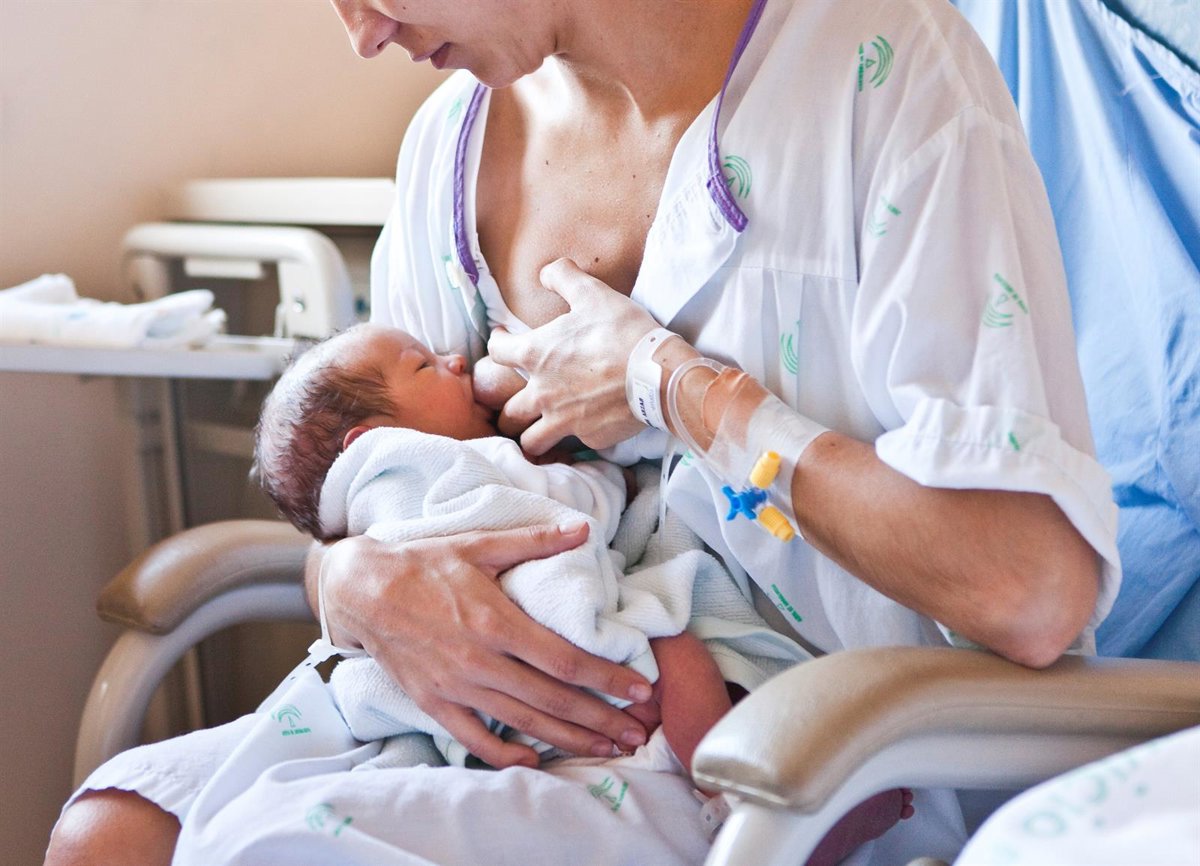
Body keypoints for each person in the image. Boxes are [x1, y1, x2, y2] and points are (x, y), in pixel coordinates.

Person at [47, 0, 1122, 863]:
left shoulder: (880, 75)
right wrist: (350, 580)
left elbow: (1030, 589)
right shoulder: (450, 147)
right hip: (491, 730)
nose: (362, 32)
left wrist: (676, 386)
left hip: (799, 755)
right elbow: (392, 481)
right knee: (111, 835)